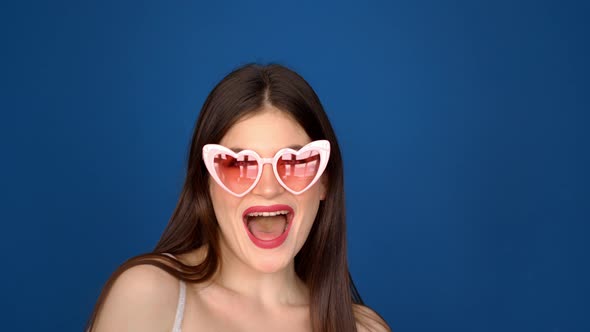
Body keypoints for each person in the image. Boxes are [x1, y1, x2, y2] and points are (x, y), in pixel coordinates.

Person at [87, 64, 391, 332]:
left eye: (295, 163)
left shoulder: (363, 329)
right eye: (238, 165)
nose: (269, 188)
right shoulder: (147, 295)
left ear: (323, 182)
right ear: (206, 183)